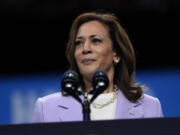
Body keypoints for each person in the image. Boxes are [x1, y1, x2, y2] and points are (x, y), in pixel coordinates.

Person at [33, 10, 163, 122]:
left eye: (96, 41)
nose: (85, 49)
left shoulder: (150, 107)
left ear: (116, 54)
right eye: (79, 43)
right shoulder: (46, 108)